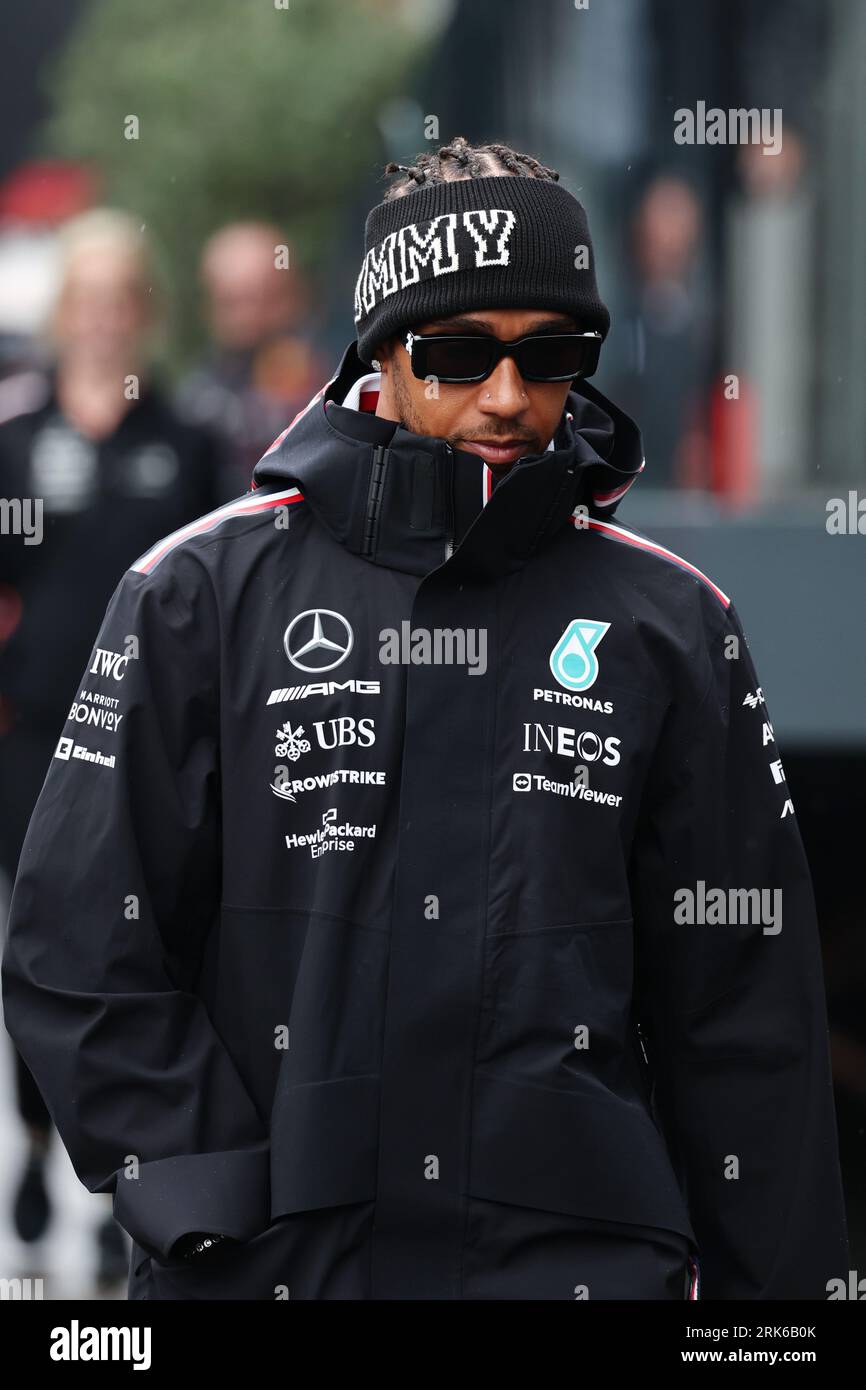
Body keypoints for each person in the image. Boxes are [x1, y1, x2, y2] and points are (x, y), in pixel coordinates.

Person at [1, 137, 848, 1301]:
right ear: (381, 351)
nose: (508, 396)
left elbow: (748, 1020)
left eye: (550, 354)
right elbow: (74, 947)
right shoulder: (196, 593)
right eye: (458, 352)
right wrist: (206, 1195)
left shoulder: (673, 623)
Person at [0, 207, 223, 1287]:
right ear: (61, 313)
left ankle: (121, 1181)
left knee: (139, 962)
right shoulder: (14, 433)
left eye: (118, 299)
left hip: (146, 752)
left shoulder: (182, 440)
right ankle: (36, 1141)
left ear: (143, 314)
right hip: (29, 743)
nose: (99, 319)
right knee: (36, 955)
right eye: (81, 299)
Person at [175, 221, 330, 500]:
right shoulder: (192, 407)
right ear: (209, 307)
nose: (250, 319)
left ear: (298, 297)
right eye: (233, 302)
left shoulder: (334, 391)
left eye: (266, 299)